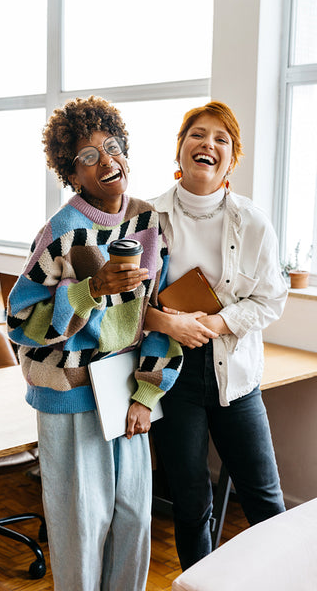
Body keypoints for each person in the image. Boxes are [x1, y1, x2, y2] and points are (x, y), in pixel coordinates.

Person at [6, 95, 182, 591]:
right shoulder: (62, 232)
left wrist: (149, 393)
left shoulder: (149, 222)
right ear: (72, 173)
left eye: (112, 146)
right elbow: (21, 322)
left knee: (133, 519)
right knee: (81, 526)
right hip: (68, 394)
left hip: (126, 390)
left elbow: (160, 315)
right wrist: (90, 290)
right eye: (88, 156)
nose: (106, 160)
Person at [144, 100, 288, 571]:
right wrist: (170, 322)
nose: (208, 144)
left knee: (265, 501)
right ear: (180, 148)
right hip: (171, 375)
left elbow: (271, 299)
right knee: (190, 503)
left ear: (231, 159)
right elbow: (126, 306)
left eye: (221, 139)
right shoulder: (146, 218)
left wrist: (216, 323)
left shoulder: (253, 221)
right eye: (197, 134)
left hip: (236, 376)